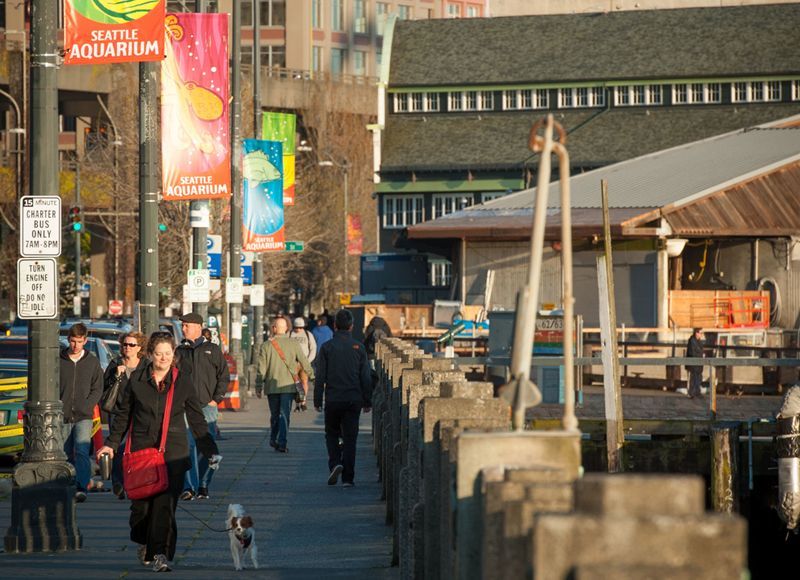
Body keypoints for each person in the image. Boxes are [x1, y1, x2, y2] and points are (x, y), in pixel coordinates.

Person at [97, 332, 220, 572]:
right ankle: (144, 541)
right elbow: (123, 415)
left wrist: (210, 449)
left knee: (165, 507)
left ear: (173, 354)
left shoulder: (182, 381)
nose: (164, 357)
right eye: (159, 353)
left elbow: (196, 417)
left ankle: (160, 554)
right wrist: (111, 444)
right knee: (141, 509)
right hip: (142, 451)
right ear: (150, 355)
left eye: (168, 353)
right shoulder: (137, 381)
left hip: (173, 454)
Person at [314, 309, 373, 487]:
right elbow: (365, 376)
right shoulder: (359, 347)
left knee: (331, 434)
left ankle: (335, 463)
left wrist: (318, 400)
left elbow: (320, 376)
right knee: (350, 438)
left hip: (333, 398)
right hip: (353, 398)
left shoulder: (327, 347)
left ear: (334, 326)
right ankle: (348, 477)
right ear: (351, 326)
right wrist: (367, 400)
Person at [176, 312, 229, 501]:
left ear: (198, 327)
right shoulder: (180, 351)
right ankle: (189, 487)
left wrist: (216, 399)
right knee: (187, 447)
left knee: (209, 450)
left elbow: (224, 375)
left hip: (207, 406)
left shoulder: (212, 350)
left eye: (186, 326)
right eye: (182, 326)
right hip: (185, 408)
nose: (183, 329)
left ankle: (204, 483)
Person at [60, 322, 104, 503]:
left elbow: (97, 388)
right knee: (65, 453)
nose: (75, 345)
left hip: (84, 415)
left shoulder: (92, 361)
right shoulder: (60, 359)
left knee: (82, 451)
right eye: (72, 341)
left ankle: (81, 486)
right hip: (62, 414)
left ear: (85, 341)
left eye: (79, 341)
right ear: (68, 340)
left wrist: (87, 406)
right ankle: (67, 485)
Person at [256, 316, 313, 453]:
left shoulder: (266, 346)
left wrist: (259, 385)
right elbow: (304, 362)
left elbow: (261, 369)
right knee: (284, 414)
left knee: (274, 414)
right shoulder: (293, 344)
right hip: (288, 386)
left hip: (272, 386)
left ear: (274, 329)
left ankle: (273, 438)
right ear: (287, 328)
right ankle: (282, 442)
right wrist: (313, 376)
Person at [102, 331, 148, 499]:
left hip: (140, 412)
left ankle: (133, 481)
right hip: (118, 411)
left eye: (131, 345)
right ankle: (118, 482)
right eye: (125, 344)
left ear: (139, 348)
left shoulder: (146, 366)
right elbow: (104, 387)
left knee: (135, 449)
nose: (127, 348)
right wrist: (116, 376)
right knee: (117, 448)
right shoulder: (115, 363)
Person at [685, 327, 705, 399]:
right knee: (693, 378)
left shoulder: (699, 341)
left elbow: (700, 351)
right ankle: (691, 393)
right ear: (696, 333)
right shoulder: (692, 341)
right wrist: (700, 354)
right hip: (693, 364)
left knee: (699, 377)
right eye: (699, 333)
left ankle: (697, 392)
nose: (700, 334)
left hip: (699, 363)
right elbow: (692, 353)